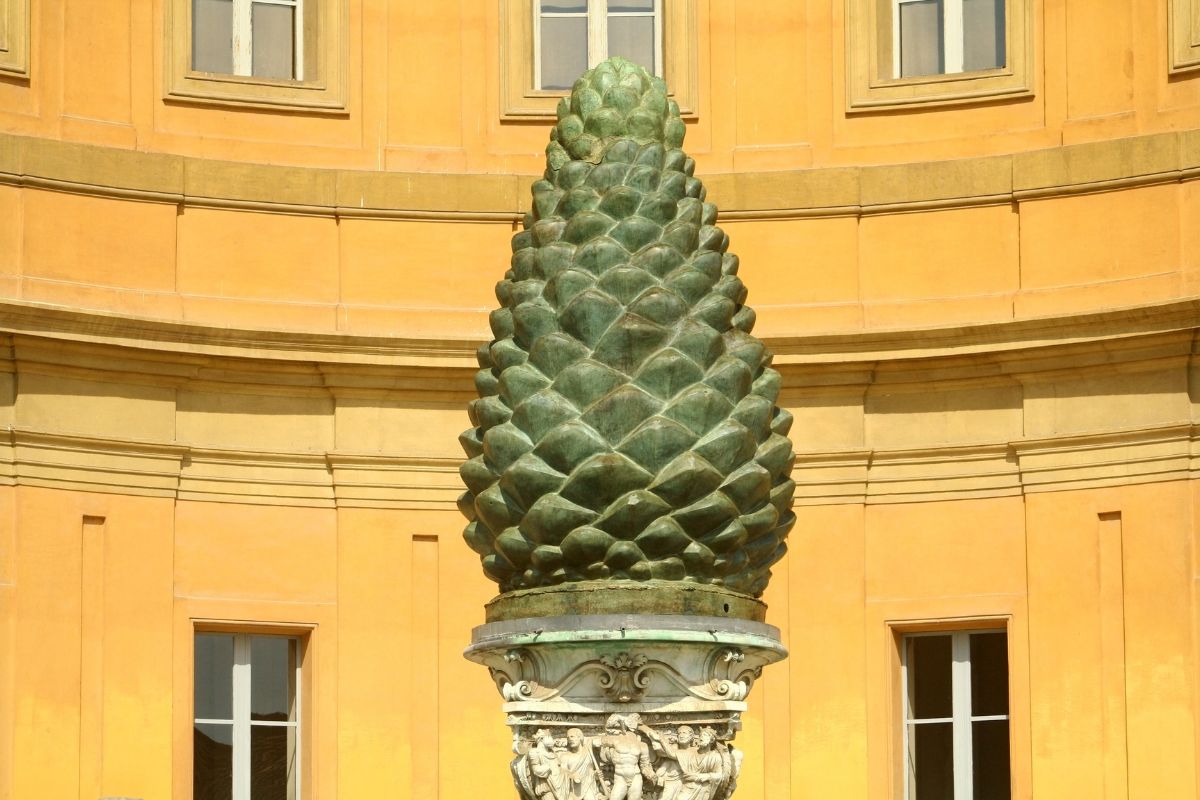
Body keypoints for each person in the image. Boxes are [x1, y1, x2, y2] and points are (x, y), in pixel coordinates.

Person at [596, 713, 654, 800]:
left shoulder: (642, 745)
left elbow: (645, 765)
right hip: (620, 777)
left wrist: (651, 775)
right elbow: (595, 742)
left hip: (636, 777)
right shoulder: (615, 740)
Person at [557, 727, 602, 800]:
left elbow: (591, 770)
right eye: (568, 738)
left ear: (580, 737)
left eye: (572, 736)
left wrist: (595, 774)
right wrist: (572, 775)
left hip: (588, 785)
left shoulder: (588, 752)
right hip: (573, 789)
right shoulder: (565, 756)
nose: (570, 739)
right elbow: (563, 771)